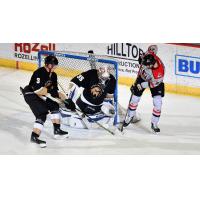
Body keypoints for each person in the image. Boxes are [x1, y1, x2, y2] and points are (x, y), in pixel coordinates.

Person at [21, 55, 69, 148]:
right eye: (54, 65)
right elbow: (39, 91)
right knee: (42, 113)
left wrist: (67, 100)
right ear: (49, 65)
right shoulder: (39, 73)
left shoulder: (53, 75)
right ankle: (34, 137)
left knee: (54, 106)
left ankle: (57, 130)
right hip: (31, 94)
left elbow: (56, 91)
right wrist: (54, 95)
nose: (56, 67)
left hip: (41, 95)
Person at [123, 45, 165, 133]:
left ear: (152, 64)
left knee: (158, 103)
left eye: (147, 65)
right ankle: (130, 116)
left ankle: (154, 124)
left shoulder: (159, 73)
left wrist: (141, 86)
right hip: (142, 78)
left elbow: (152, 85)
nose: (145, 66)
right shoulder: (149, 55)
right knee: (134, 99)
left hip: (154, 83)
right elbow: (153, 47)